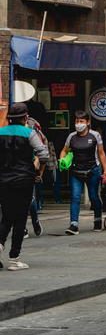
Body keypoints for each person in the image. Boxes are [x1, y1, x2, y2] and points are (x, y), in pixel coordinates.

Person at [0, 102, 47, 269]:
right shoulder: (30, 133)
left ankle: (0, 244)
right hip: (24, 180)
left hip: (3, 181)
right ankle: (14, 258)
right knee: (20, 218)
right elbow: (43, 154)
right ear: (25, 117)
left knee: (6, 216)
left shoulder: (0, 132)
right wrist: (39, 172)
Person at [60, 109, 106, 235]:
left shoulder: (95, 135)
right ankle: (74, 225)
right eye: (77, 121)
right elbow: (64, 150)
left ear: (87, 122)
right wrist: (62, 159)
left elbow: (101, 153)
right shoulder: (71, 136)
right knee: (75, 197)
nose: (78, 124)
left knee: (94, 197)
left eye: (81, 121)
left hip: (93, 170)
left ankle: (98, 220)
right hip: (76, 171)